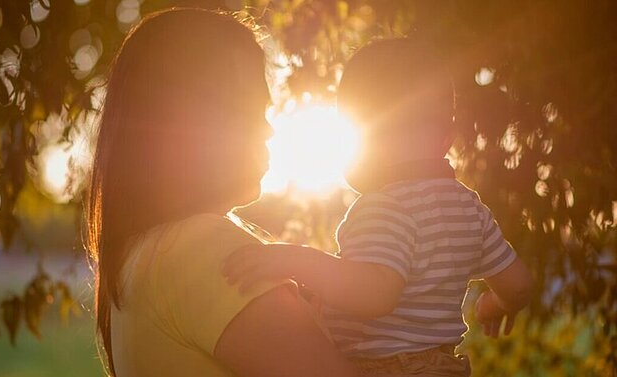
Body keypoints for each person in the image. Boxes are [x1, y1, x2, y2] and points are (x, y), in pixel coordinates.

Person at [223, 39, 534, 376]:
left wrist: (292, 259)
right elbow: (519, 284)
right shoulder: (469, 208)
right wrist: (498, 303)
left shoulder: (383, 207)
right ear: (447, 138)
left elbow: (374, 295)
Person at [85, 8, 360, 377]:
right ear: (197, 119)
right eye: (254, 110)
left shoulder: (141, 256)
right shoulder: (200, 248)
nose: (268, 131)